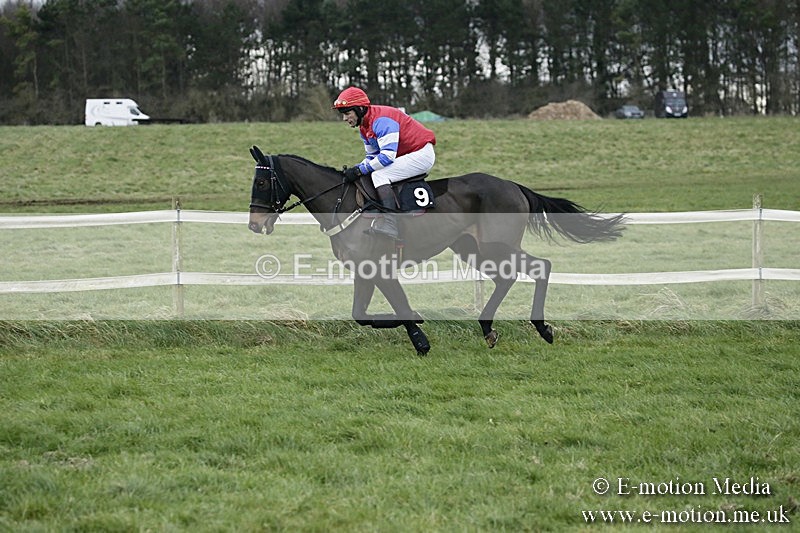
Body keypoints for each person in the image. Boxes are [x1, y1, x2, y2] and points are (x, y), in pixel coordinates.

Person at [332, 86, 436, 238]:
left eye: (347, 113)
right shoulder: (364, 127)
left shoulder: (381, 120)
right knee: (370, 172)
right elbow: (371, 157)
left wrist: (360, 170)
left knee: (379, 176)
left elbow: (387, 157)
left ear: (360, 109)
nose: (344, 118)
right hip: (408, 154)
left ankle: (390, 225)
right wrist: (357, 169)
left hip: (421, 154)